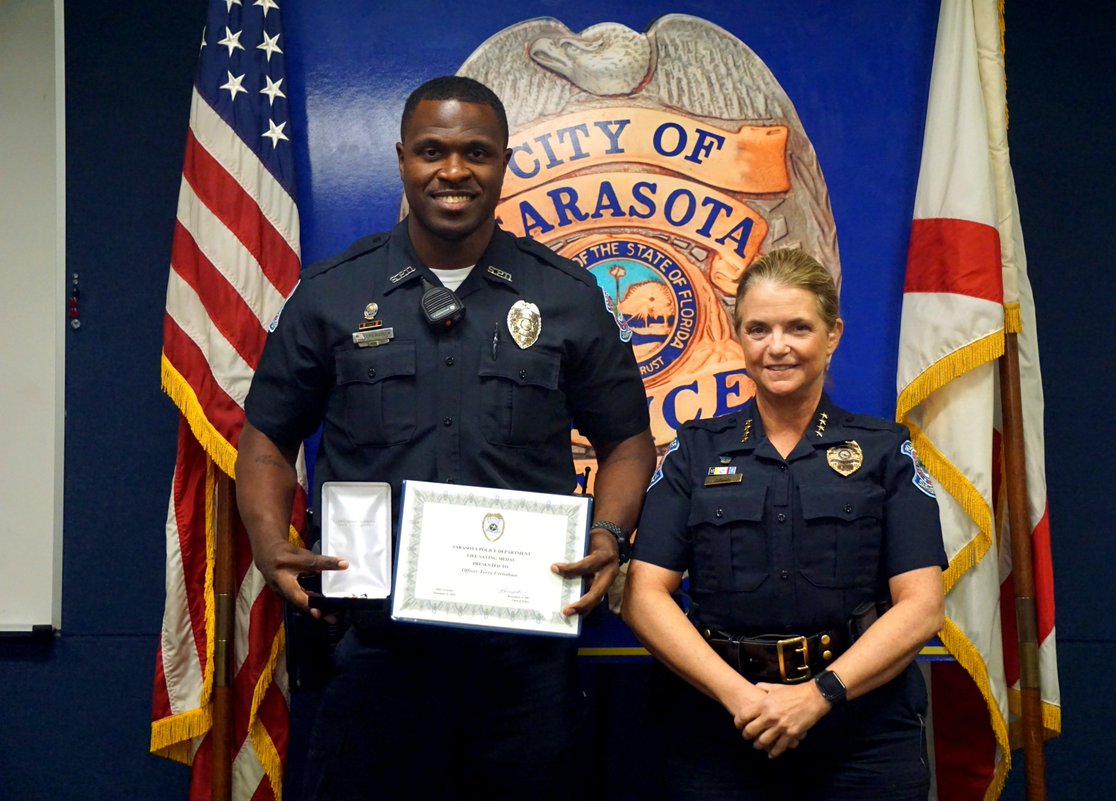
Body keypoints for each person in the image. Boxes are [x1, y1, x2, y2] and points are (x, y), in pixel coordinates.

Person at [235, 75, 656, 801]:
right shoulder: (333, 294)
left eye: (476, 153)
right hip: (372, 648)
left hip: (522, 660)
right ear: (403, 158)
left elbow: (628, 442)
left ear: (504, 162)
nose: (453, 171)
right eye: (432, 151)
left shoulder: (566, 296)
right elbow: (267, 439)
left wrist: (611, 533)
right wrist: (272, 544)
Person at [623, 247, 946, 801]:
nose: (777, 347)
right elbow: (643, 595)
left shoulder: (884, 451)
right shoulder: (694, 453)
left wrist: (817, 696)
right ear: (738, 337)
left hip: (861, 730)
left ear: (833, 335)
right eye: (759, 329)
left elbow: (923, 605)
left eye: (799, 327)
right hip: (722, 727)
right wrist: (743, 699)